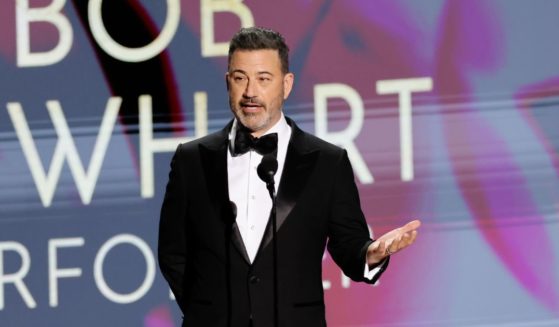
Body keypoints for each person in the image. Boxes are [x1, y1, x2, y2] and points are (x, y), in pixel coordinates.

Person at [158, 26, 421, 327]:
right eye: (240, 78)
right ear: (228, 82)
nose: (250, 92)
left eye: (263, 79)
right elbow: (173, 253)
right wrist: (208, 310)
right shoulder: (191, 160)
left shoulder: (326, 162)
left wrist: (371, 253)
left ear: (286, 84)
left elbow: (348, 244)